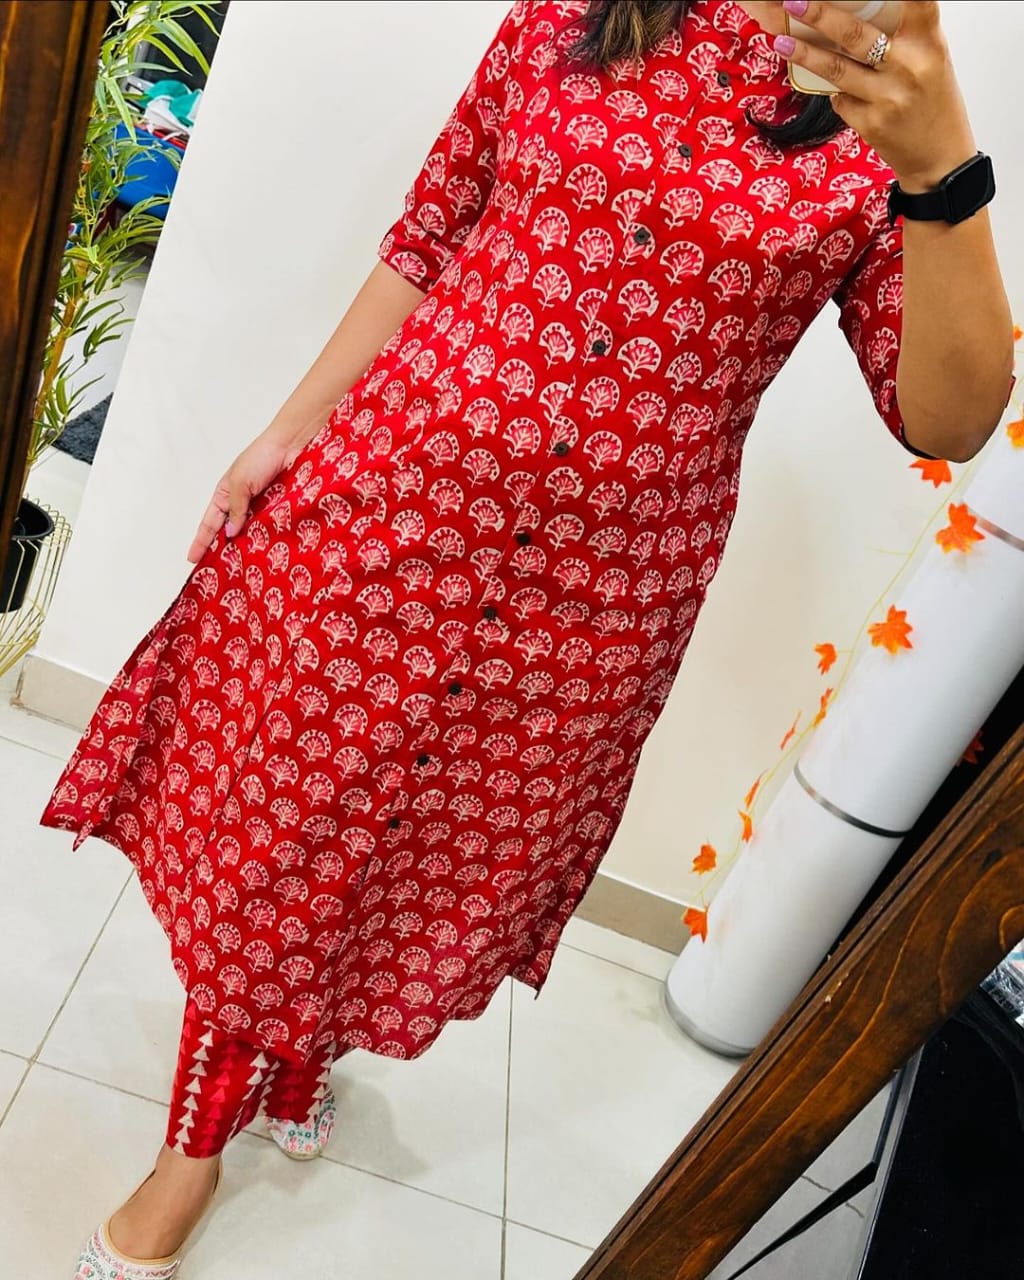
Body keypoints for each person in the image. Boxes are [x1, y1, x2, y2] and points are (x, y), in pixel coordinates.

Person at [43, 1, 1013, 1274]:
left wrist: (943, 173)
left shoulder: (877, 120)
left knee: (410, 853)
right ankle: (189, 1157)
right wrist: (283, 432)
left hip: (592, 608)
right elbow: (428, 236)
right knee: (291, 831)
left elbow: (946, 418)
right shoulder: (571, 17)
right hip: (391, 504)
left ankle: (302, 1050)